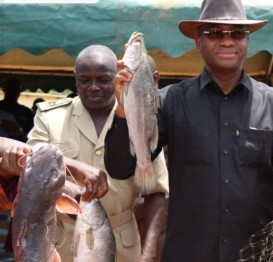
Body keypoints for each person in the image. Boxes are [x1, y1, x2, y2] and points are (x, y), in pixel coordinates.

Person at [104, 0, 273, 261]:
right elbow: (121, 167)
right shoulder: (170, 101)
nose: (227, 41)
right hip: (189, 253)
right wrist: (125, 111)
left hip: (255, 255)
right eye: (215, 33)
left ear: (248, 41)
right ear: (198, 41)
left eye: (237, 33)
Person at [27, 45, 169, 262]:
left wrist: (149, 254)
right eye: (85, 80)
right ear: (75, 79)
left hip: (124, 246)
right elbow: (29, 166)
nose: (93, 87)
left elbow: (157, 192)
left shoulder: (139, 119)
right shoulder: (50, 118)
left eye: (103, 79)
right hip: (61, 244)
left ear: (118, 77)